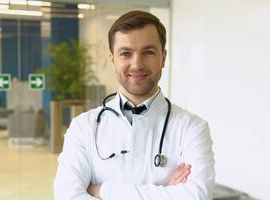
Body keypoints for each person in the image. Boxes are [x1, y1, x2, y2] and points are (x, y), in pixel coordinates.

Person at [54, 10, 215, 199]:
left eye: (148, 52)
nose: (137, 64)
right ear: (113, 59)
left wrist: (102, 190)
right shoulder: (83, 127)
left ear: (163, 57)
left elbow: (197, 196)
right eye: (126, 54)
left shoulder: (192, 128)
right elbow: (67, 196)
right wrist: (168, 192)